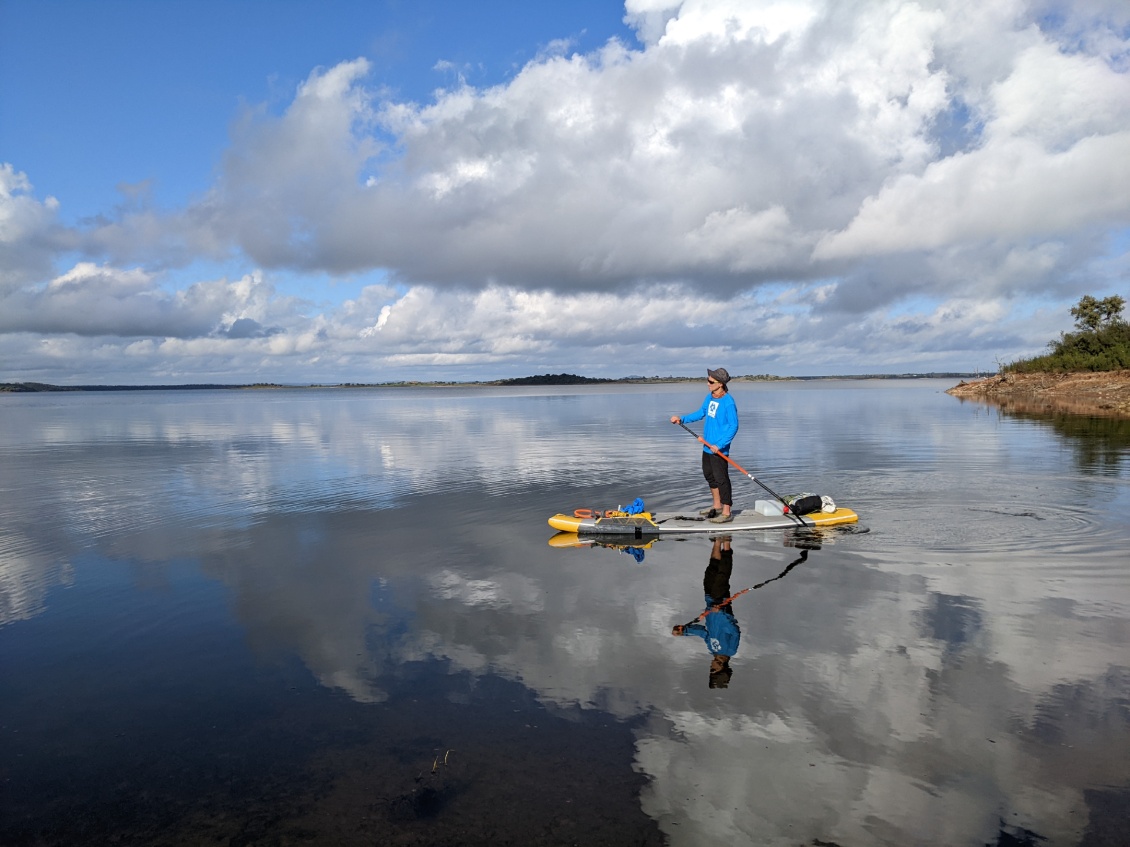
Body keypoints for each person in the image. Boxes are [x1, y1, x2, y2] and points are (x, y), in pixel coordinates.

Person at [669, 367, 739, 524]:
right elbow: (701, 412)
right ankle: (717, 505)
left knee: (722, 479)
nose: (707, 384)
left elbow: (734, 426)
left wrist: (720, 445)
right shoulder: (710, 397)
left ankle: (727, 512)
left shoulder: (728, 402)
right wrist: (682, 419)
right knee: (709, 476)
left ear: (720, 384)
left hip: (718, 449)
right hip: (707, 446)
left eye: (710, 381)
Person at [671, 536, 739, 689]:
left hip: (709, 600)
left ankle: (717, 541)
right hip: (720, 602)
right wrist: (720, 612)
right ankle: (727, 543)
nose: (711, 666)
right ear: (722, 668)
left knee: (710, 572)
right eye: (714, 669)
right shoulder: (731, 649)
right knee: (722, 575)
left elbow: (704, 633)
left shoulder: (712, 649)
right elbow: (734, 630)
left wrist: (685, 631)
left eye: (711, 669)